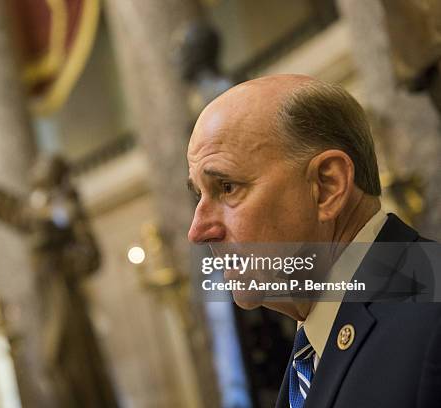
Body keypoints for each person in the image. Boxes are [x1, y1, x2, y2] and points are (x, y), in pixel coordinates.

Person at [186, 74, 441, 407]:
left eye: (227, 187)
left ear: (327, 186)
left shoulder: (431, 317)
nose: (198, 230)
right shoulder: (312, 345)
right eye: (199, 196)